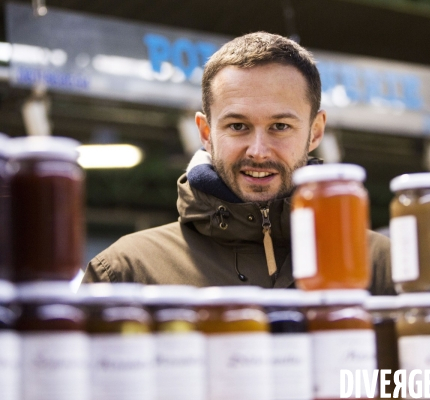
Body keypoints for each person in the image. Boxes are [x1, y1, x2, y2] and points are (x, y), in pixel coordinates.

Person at [83, 32, 394, 295]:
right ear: (206, 132)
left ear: (315, 131)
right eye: (237, 126)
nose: (258, 151)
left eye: (280, 126)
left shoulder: (385, 267)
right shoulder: (127, 271)